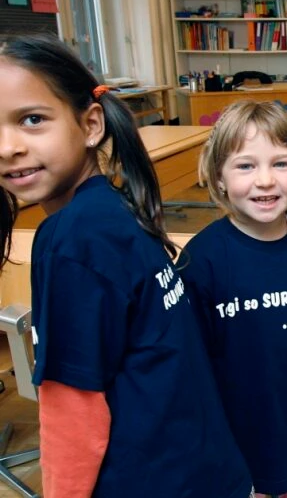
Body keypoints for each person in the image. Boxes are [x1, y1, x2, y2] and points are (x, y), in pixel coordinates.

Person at [0, 34, 251, 497]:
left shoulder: (73, 239)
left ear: (91, 124)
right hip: (203, 468)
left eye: (32, 120)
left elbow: (72, 408)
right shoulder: (112, 208)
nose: (7, 146)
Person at [179, 100, 287, 498]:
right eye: (246, 166)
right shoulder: (201, 261)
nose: (265, 181)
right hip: (235, 449)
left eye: (281, 164)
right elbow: (189, 368)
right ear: (219, 177)